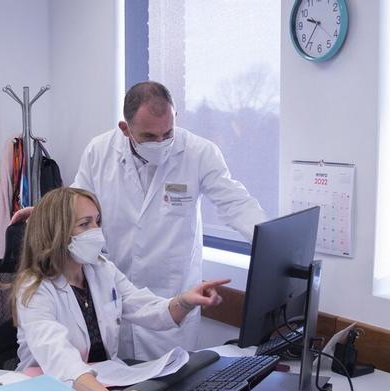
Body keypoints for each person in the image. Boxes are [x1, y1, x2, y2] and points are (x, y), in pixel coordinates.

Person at [71, 81, 267, 361]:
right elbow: (75, 204)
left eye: (168, 133)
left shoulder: (199, 153)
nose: (161, 143)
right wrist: (46, 215)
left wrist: (269, 241)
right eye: (149, 136)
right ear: (125, 129)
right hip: (117, 301)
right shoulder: (99, 152)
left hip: (174, 304)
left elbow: (235, 203)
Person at [12, 187, 229, 391]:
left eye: (97, 222)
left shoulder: (101, 269)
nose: (96, 232)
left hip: (103, 381)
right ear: (58, 232)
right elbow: (59, 358)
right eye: (85, 224)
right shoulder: (34, 288)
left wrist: (185, 301)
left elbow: (146, 309)